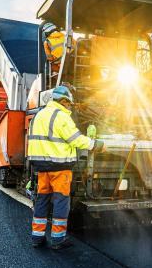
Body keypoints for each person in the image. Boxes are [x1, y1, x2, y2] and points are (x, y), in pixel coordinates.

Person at [27, 85, 103, 250]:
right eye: (69, 103)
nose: (70, 107)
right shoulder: (61, 116)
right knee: (61, 202)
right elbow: (75, 139)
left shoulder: (39, 115)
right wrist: (94, 144)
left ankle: (37, 238)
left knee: (42, 201)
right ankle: (58, 239)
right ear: (63, 101)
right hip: (59, 167)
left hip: (41, 167)